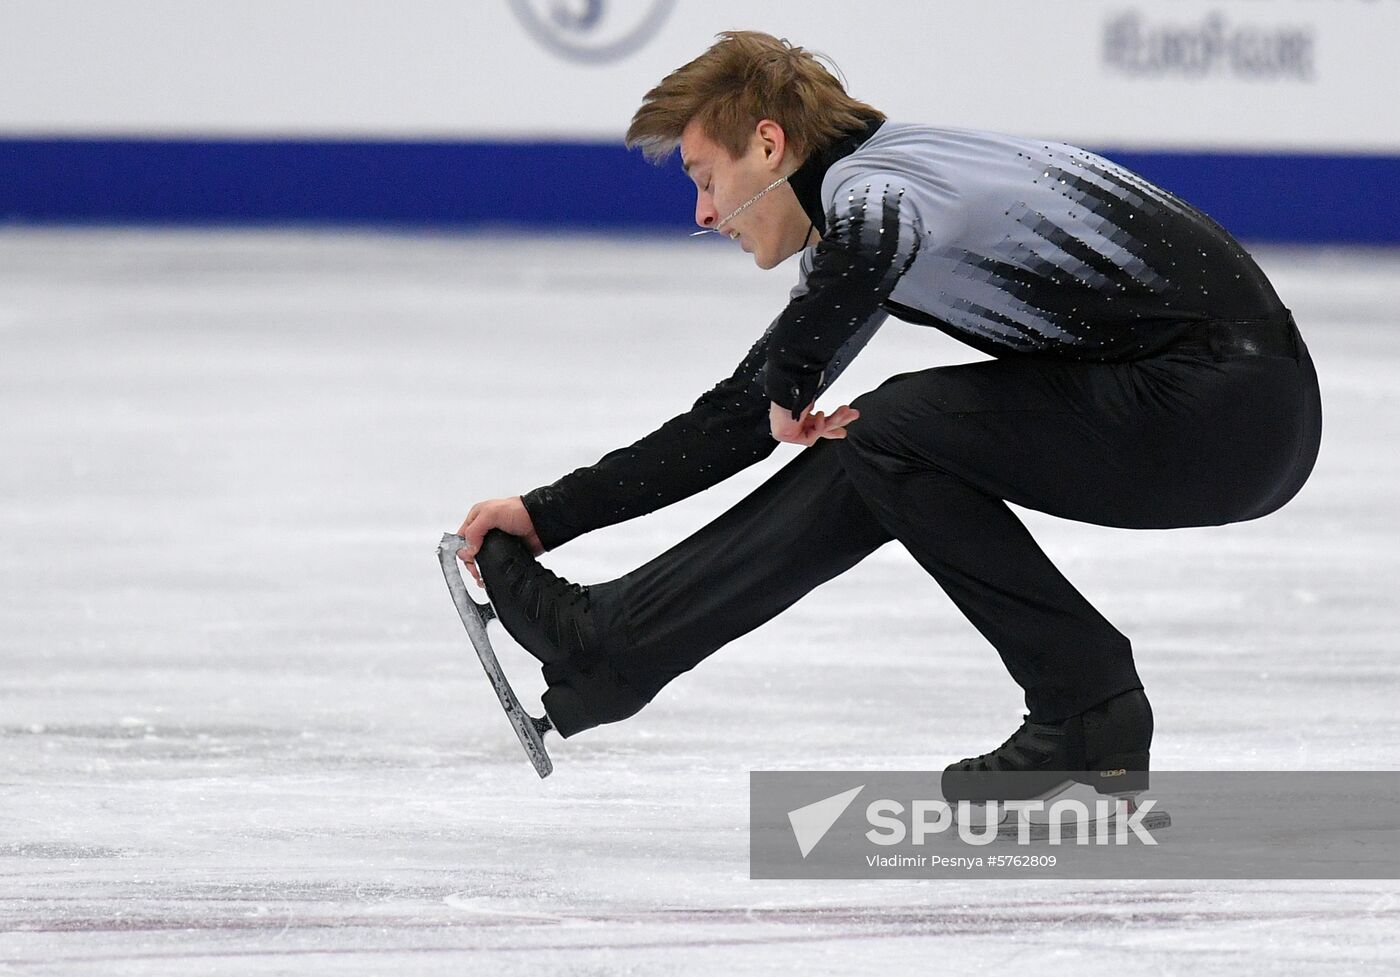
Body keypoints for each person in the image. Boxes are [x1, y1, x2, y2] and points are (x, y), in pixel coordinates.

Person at [453, 31, 1321, 801]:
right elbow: (737, 417)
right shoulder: (875, 200)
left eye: (706, 178)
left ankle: (1089, 705)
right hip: (1232, 408)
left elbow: (866, 255)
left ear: (769, 143)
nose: (704, 213)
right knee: (882, 444)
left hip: (1224, 406)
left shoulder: (878, 192)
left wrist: (794, 378)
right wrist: (548, 514)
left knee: (896, 422)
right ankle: (610, 648)